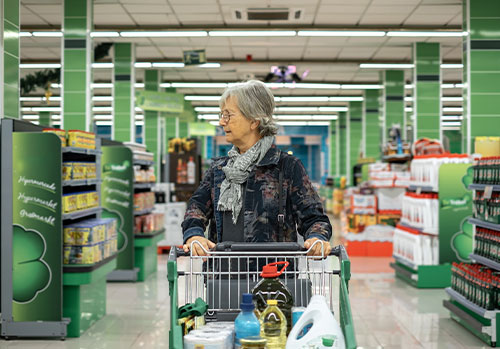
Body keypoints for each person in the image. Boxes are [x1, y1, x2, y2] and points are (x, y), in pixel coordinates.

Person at [182, 80, 332, 257]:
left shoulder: (287, 167)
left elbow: (314, 218)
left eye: (228, 115)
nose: (222, 122)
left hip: (275, 277)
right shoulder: (219, 169)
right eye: (222, 115)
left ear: (254, 121)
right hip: (224, 276)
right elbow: (196, 209)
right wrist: (194, 236)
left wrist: (317, 238)